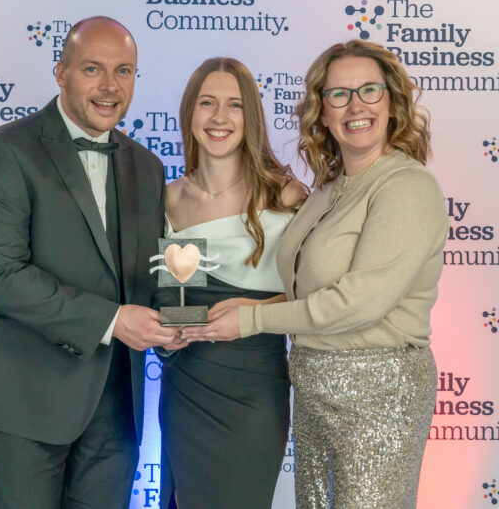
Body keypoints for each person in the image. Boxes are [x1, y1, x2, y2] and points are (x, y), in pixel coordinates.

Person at [183, 40, 449, 508]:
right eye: (338, 94)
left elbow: (357, 303)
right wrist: (256, 304)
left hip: (377, 394)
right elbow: (307, 291)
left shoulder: (407, 186)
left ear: (392, 103)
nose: (355, 106)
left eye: (369, 90)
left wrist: (252, 320)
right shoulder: (327, 189)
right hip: (312, 390)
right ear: (321, 112)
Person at [0, 16, 183, 509]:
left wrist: (185, 319)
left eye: (123, 71)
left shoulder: (148, 166)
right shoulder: (4, 151)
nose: (110, 86)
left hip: (117, 406)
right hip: (26, 398)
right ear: (61, 72)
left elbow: (150, 277)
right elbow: (3, 277)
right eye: (92, 69)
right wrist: (113, 320)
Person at [157, 57, 305, 509]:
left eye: (234, 104)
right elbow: (165, 305)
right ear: (189, 112)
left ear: (251, 116)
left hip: (255, 391)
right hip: (186, 389)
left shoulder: (287, 196)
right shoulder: (166, 199)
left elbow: (315, 301)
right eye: (207, 103)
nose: (219, 117)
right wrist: (175, 328)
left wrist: (253, 314)